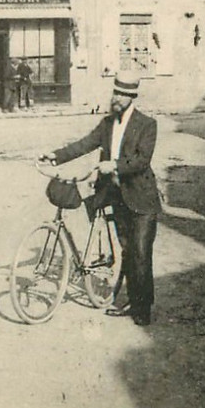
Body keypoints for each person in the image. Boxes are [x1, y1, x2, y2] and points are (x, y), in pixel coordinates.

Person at [41, 76, 160, 326]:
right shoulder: (107, 124)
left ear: (132, 98)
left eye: (122, 95)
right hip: (117, 196)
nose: (116, 99)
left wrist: (114, 165)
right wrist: (56, 156)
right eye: (115, 93)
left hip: (141, 198)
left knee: (140, 252)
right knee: (127, 251)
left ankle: (143, 307)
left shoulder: (147, 124)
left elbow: (142, 160)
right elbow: (85, 144)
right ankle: (131, 301)